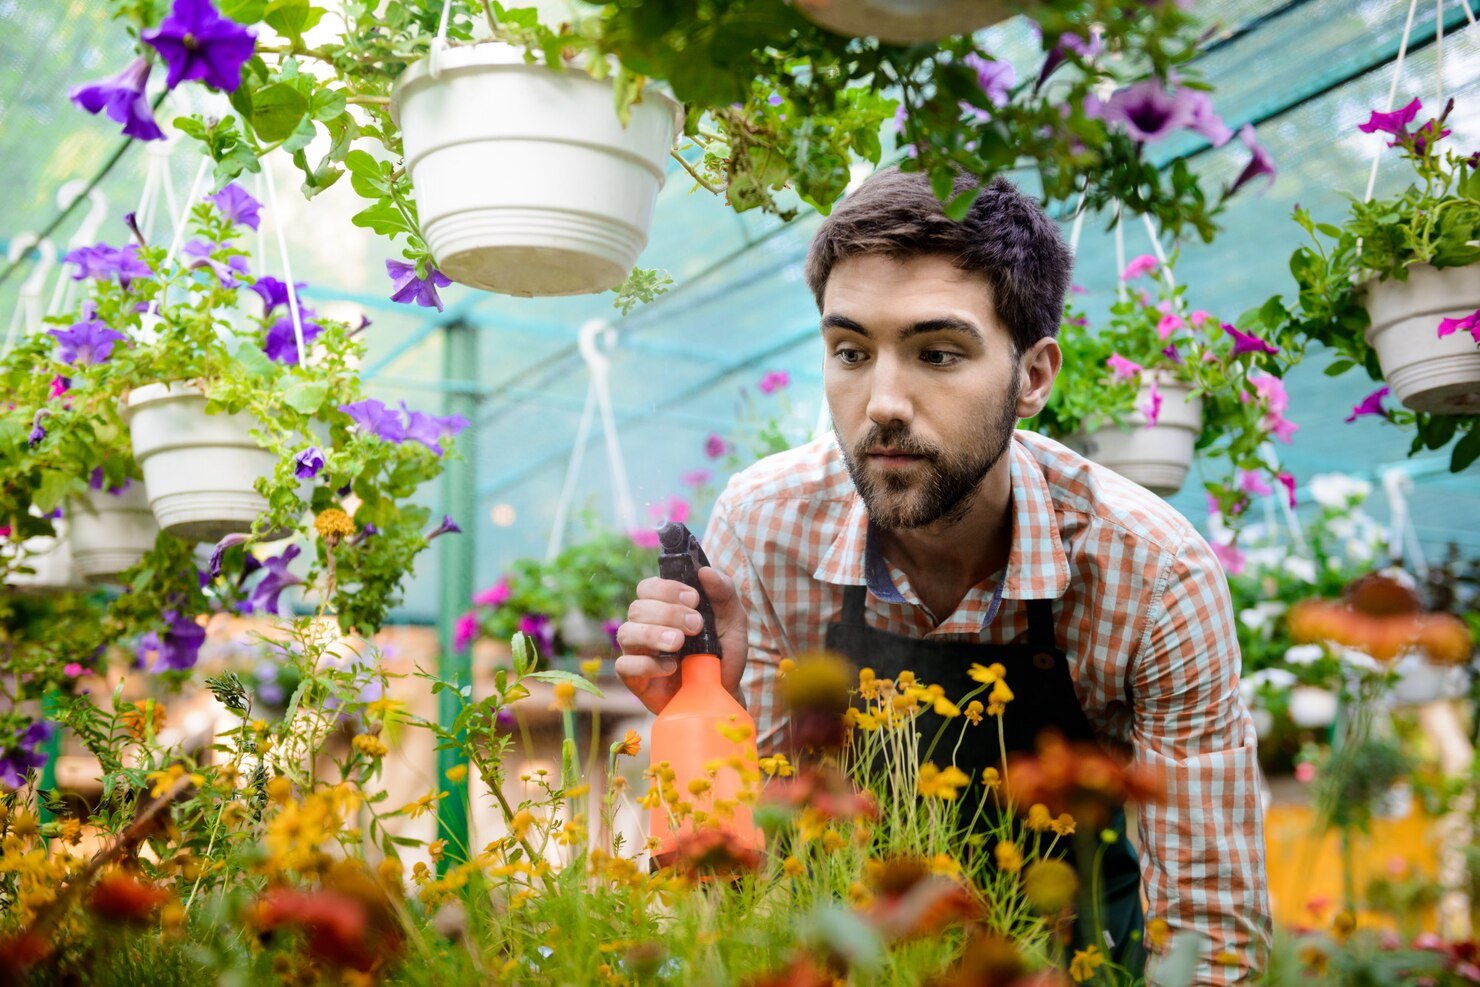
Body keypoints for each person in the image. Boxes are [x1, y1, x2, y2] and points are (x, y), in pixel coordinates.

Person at [616, 168, 1271, 984]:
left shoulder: (1153, 570)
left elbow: (1211, 933)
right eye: (850, 351)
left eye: (937, 352)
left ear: (1032, 376)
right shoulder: (766, 523)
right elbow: (761, 882)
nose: (882, 400)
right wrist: (717, 719)